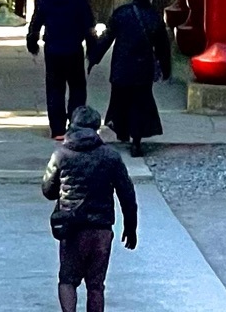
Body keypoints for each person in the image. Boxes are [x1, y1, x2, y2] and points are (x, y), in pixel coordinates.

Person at [42, 103, 138, 312]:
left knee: (67, 280)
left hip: (72, 226)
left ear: (72, 126)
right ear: (96, 129)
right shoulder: (111, 156)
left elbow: (48, 191)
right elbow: (127, 194)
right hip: (101, 228)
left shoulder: (61, 155)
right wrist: (131, 227)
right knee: (96, 286)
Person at [89, 0, 172, 156]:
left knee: (121, 102)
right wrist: (166, 69)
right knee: (140, 104)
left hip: (122, 66)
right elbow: (163, 47)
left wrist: (94, 57)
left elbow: (107, 38)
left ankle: (122, 131)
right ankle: (136, 140)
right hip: (143, 69)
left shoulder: (121, 13)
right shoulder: (154, 17)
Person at [26, 0, 99, 140]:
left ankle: (57, 129)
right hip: (74, 49)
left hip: (53, 50)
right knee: (77, 88)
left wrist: (32, 41)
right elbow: (89, 26)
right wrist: (92, 49)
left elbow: (37, 21)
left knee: (55, 88)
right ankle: (75, 124)